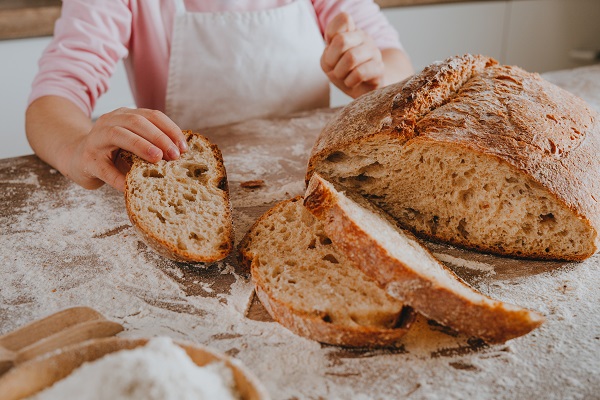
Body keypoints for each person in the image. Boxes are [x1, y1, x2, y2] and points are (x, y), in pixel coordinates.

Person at [25, 1, 414, 192]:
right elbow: (54, 98)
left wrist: (373, 75)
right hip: (187, 188)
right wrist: (76, 147)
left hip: (305, 184)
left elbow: (396, 62)